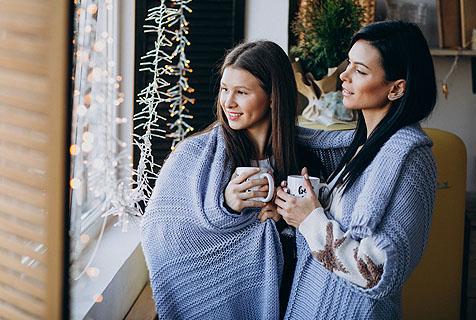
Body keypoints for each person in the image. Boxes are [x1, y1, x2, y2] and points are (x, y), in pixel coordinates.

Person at [141, 40, 320, 319]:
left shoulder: (305, 159)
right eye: (225, 89)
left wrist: (286, 222)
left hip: (287, 301)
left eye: (241, 92)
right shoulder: (194, 155)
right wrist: (226, 206)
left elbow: (319, 242)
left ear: (273, 96)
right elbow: (159, 232)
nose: (228, 102)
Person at [276, 21, 437, 319]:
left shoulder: (410, 159)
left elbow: (376, 273)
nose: (344, 77)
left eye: (360, 71)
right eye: (349, 64)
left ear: (396, 88)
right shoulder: (362, 148)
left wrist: (310, 220)